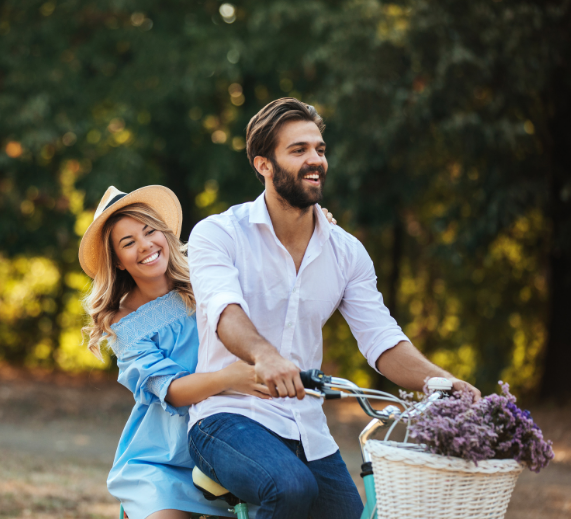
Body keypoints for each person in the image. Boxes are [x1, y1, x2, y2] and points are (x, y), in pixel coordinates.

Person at [186, 97, 481, 519]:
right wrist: (265, 356)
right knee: (290, 488)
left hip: (307, 429)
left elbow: (381, 340)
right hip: (227, 417)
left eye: (320, 149)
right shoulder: (218, 234)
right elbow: (224, 312)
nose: (315, 160)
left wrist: (443, 382)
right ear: (263, 165)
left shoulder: (347, 253)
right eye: (298, 150)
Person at [80, 186, 340, 519]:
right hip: (164, 457)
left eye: (149, 231)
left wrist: (308, 233)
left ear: (165, 233)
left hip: (233, 442)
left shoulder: (206, 280)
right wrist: (229, 378)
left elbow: (272, 278)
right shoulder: (126, 322)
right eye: (128, 243)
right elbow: (170, 391)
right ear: (117, 260)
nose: (145, 245)